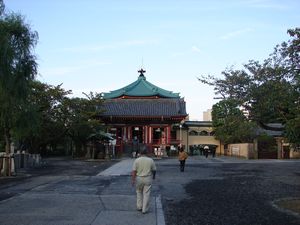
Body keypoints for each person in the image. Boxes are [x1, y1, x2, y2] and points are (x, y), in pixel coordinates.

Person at [131, 146, 156, 214]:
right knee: (146, 193)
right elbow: (154, 170)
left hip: (139, 178)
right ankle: (144, 209)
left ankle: (139, 206)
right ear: (146, 152)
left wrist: (133, 180)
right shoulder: (150, 160)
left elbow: (134, 171)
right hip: (148, 178)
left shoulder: (137, 160)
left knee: (139, 192)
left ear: (140, 153)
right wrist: (153, 176)